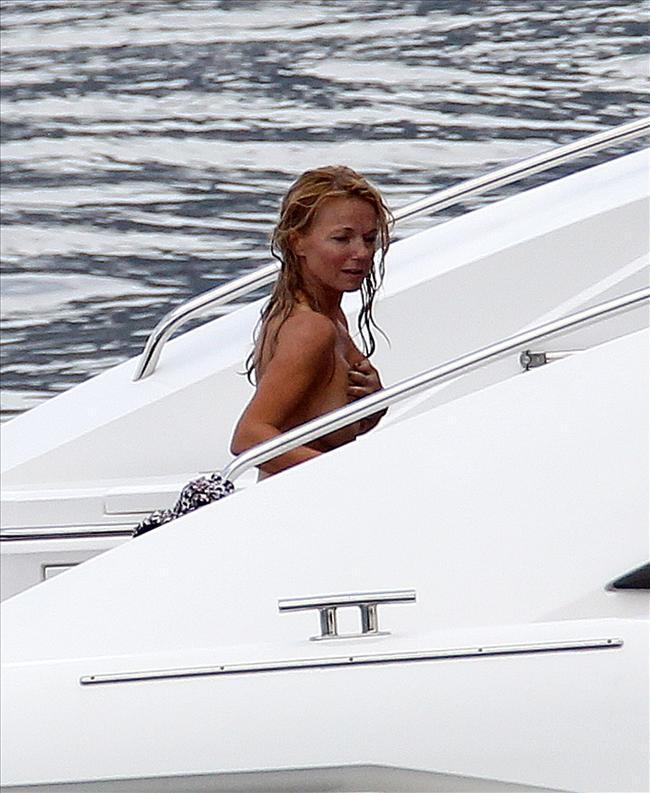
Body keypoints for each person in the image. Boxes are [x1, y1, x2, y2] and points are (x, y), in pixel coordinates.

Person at [230, 165, 393, 479]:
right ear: (297, 242)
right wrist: (341, 476)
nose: (362, 252)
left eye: (369, 239)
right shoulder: (310, 329)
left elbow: (318, 421)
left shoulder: (324, 315)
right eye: (342, 239)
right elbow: (248, 437)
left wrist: (373, 403)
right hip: (303, 499)